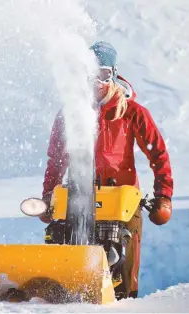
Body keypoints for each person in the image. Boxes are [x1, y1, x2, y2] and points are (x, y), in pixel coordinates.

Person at [40, 41, 173, 299]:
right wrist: (48, 195)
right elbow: (56, 159)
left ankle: (125, 299)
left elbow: (158, 153)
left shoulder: (132, 113)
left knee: (122, 279)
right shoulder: (70, 114)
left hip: (121, 205)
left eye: (103, 74)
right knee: (66, 266)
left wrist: (164, 195)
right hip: (78, 201)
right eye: (90, 73)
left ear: (113, 74)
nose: (96, 81)